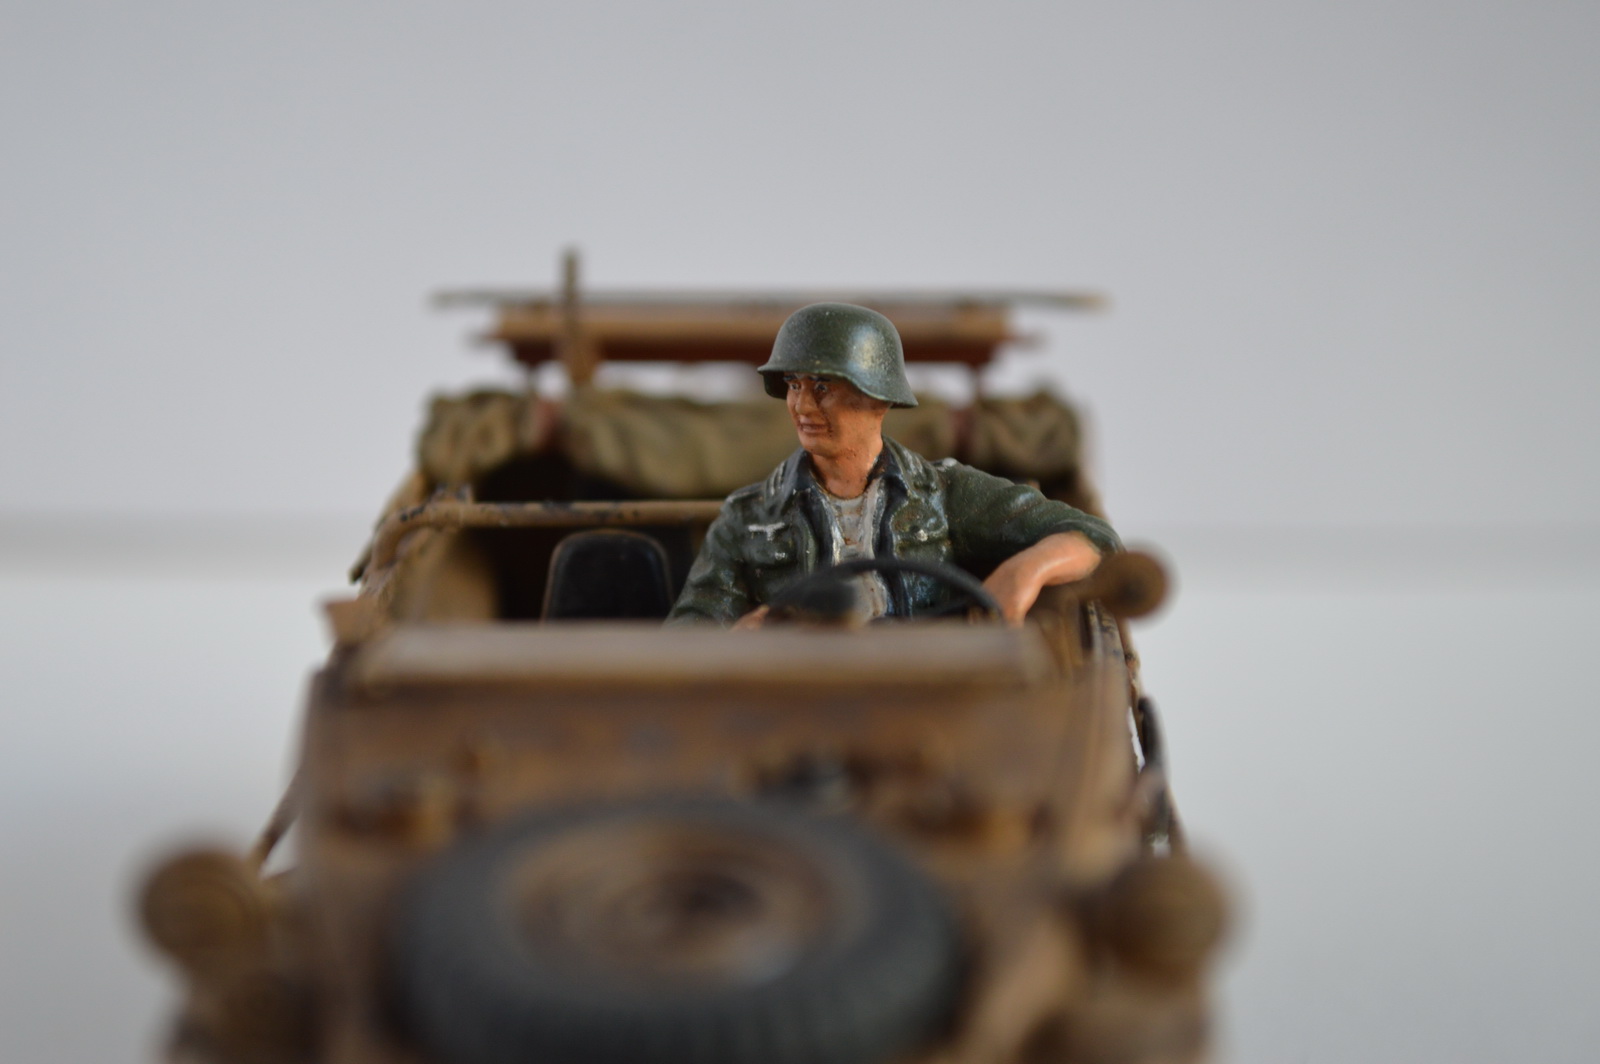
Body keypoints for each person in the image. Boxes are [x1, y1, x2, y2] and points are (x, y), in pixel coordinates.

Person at [665, 302, 1119, 628]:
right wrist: (745, 636)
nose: (801, 405)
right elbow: (687, 638)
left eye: (822, 387)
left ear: (877, 399)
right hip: (793, 706)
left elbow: (1096, 539)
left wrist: (1024, 573)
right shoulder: (750, 515)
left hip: (926, 700)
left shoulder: (944, 493)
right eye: (793, 385)